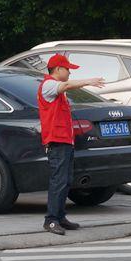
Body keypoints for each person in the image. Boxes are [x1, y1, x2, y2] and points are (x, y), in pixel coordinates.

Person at [38, 54, 105, 235]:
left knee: (66, 180)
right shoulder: (48, 85)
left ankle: (60, 217)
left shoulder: (57, 89)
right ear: (58, 69)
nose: (69, 73)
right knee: (58, 181)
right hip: (57, 141)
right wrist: (88, 81)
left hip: (65, 141)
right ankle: (51, 220)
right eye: (67, 69)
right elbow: (66, 85)